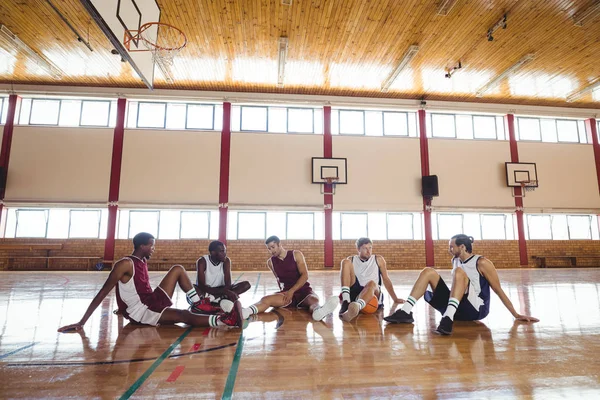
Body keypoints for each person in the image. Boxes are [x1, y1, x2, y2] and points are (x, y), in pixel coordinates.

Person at [58, 232, 243, 333]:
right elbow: (103, 292)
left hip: (150, 299)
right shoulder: (125, 264)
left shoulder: (141, 261)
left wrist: (121, 307)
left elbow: (132, 289)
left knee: (177, 269)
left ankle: (199, 304)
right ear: (142, 246)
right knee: (182, 316)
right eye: (151, 245)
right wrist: (82, 322)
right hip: (142, 310)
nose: (153, 249)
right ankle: (224, 320)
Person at [384, 234, 539, 335]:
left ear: (462, 247)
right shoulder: (455, 260)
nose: (449, 250)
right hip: (457, 306)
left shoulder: (482, 262)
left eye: (452, 247)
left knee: (459, 273)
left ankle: (447, 319)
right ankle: (406, 311)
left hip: (475, 309)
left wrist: (516, 314)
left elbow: (498, 290)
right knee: (428, 271)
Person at [222, 236, 338, 321]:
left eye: (273, 247)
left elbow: (305, 275)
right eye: (269, 248)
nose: (271, 251)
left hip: (303, 290)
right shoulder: (270, 262)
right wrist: (286, 293)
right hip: (286, 293)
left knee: (313, 300)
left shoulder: (296, 254)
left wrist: (293, 291)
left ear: (279, 244)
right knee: (266, 299)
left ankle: (318, 312)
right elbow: (280, 280)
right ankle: (244, 312)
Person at [339, 237, 404, 321]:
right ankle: (346, 301)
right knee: (345, 262)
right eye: (365, 248)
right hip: (356, 291)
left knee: (372, 283)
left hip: (372, 292)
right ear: (358, 249)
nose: (368, 251)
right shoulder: (351, 259)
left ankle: (357, 307)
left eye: (370, 248)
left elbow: (386, 279)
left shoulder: (378, 259)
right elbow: (346, 278)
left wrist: (395, 298)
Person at [193, 240, 251, 313]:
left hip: (221, 289)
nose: (225, 254)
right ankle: (220, 300)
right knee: (194, 289)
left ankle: (211, 300)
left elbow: (228, 284)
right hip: (207, 290)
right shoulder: (202, 261)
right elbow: (201, 286)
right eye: (222, 251)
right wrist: (225, 292)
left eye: (225, 251)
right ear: (213, 252)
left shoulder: (226, 261)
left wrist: (225, 291)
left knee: (246, 285)